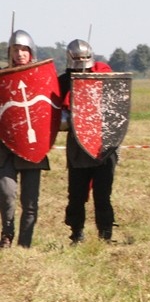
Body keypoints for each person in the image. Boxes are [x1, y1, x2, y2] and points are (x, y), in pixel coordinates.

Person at [58, 39, 118, 243]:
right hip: (77, 145)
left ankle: (106, 234)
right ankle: (77, 233)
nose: (82, 61)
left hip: (103, 143)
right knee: (76, 194)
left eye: (84, 57)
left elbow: (115, 107)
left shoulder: (103, 75)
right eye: (77, 58)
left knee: (103, 193)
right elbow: (58, 115)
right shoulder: (64, 81)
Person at [0, 30, 50, 248]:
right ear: (9, 52)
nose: (20, 53)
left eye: (24, 49)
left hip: (31, 148)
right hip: (4, 148)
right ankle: (7, 235)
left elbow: (50, 109)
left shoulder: (41, 79)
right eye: (15, 49)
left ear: (31, 52)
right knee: (6, 194)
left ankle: (25, 244)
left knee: (30, 202)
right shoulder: (2, 78)